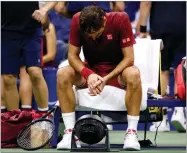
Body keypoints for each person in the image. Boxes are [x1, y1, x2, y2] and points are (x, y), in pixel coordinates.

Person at [56, 5, 142, 150]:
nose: (93, 37)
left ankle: (131, 133)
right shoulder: (77, 20)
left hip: (117, 73)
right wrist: (88, 74)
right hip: (91, 70)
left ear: (104, 20)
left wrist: (106, 79)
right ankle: (70, 133)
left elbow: (129, 58)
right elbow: (72, 55)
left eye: (97, 33)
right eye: (89, 35)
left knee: (134, 73)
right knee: (62, 73)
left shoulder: (121, 19)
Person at [139, 2, 186, 132]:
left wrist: (142, 28)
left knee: (162, 69)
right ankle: (179, 112)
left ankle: (161, 120)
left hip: (160, 26)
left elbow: (146, 3)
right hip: (182, 25)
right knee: (180, 67)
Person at [1, 2, 57, 113]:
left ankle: (43, 116)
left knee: (35, 72)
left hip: (31, 31)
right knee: (8, 78)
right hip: (5, 32)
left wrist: (45, 9)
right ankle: (15, 120)